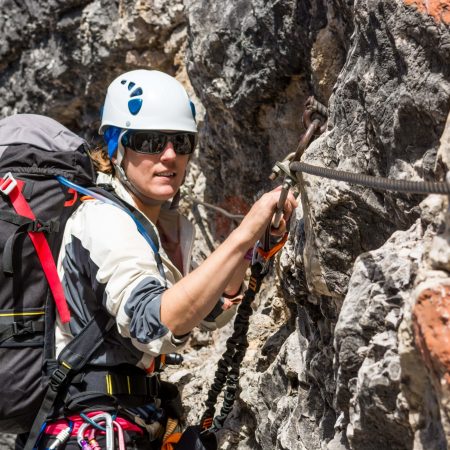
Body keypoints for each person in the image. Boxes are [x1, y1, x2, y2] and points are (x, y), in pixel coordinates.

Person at [18, 69, 297, 450]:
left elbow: (206, 310)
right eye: (149, 141)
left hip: (128, 418)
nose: (169, 155)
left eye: (181, 142)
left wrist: (249, 251)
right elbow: (156, 325)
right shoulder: (104, 220)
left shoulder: (153, 223)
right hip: (95, 426)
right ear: (117, 147)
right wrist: (244, 232)